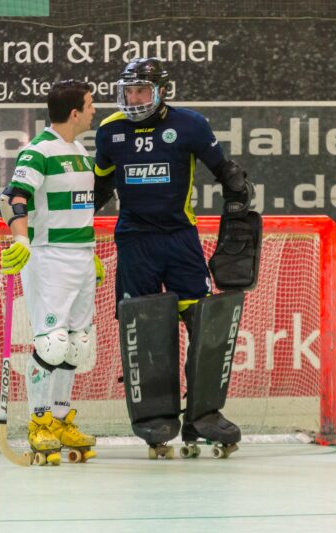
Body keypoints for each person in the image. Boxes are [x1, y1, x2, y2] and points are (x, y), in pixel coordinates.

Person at [93, 58, 258, 458]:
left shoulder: (190, 125)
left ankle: (203, 416)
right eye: (129, 91)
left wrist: (238, 206)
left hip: (180, 241)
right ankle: (154, 418)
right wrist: (68, 228)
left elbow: (228, 175)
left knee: (204, 328)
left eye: (142, 91)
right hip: (135, 242)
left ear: (162, 91)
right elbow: (98, 188)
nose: (134, 99)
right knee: (145, 329)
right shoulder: (110, 130)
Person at [0, 79, 104, 465]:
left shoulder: (80, 152)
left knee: (77, 344)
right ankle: (38, 422)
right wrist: (22, 240)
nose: (94, 110)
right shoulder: (37, 151)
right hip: (49, 257)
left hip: (81, 256)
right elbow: (13, 198)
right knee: (52, 344)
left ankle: (59, 420)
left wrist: (89, 252)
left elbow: (79, 207)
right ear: (74, 113)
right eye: (90, 105)